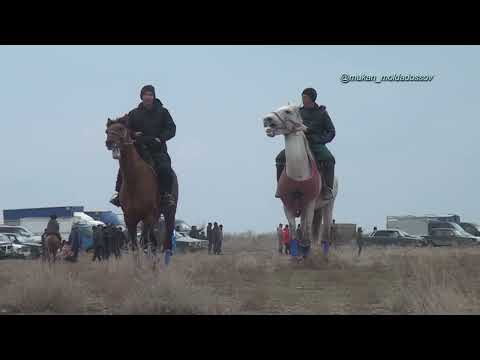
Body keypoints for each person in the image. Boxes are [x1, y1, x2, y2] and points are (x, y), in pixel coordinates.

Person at [110, 84, 177, 208]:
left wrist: (160, 138)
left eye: (150, 95)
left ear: (154, 96)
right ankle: (118, 194)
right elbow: (125, 129)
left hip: (157, 149)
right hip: (139, 149)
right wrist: (133, 133)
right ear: (141, 97)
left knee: (165, 169)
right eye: (145, 94)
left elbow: (172, 129)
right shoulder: (134, 113)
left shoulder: (163, 112)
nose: (148, 97)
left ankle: (166, 195)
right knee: (124, 166)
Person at [275, 87, 336, 200]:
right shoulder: (299, 112)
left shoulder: (322, 113)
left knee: (329, 159)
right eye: (302, 97)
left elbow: (331, 132)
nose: (303, 99)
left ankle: (327, 188)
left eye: (305, 97)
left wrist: (320, 140)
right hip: (298, 143)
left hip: (316, 144)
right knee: (279, 158)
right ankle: (280, 186)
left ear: (312, 99)